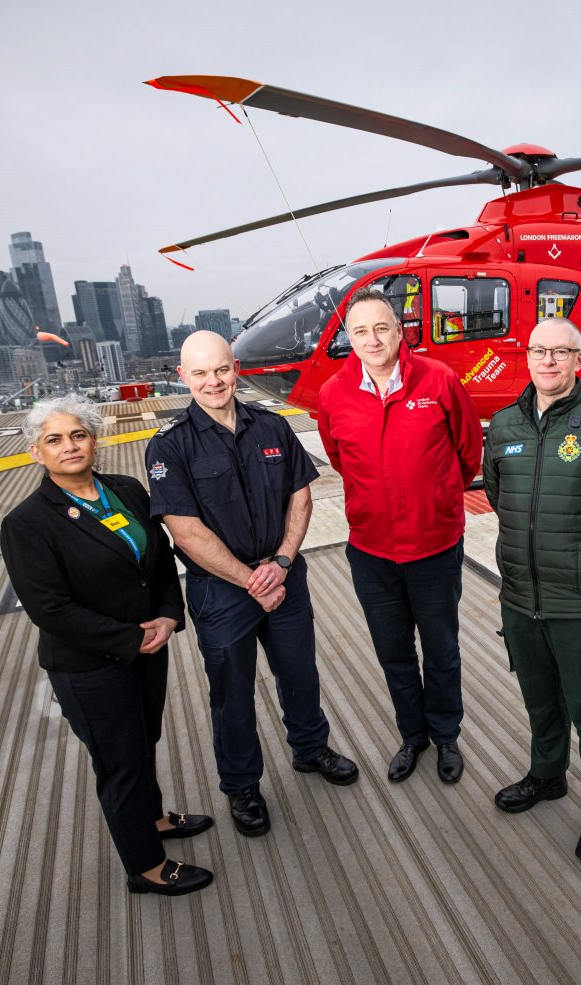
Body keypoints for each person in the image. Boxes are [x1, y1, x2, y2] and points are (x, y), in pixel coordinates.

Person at [144, 331, 358, 841]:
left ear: (234, 368)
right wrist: (251, 580)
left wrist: (281, 563)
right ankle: (242, 784)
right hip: (222, 592)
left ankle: (310, 749)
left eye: (220, 370)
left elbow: (300, 498)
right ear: (183, 377)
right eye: (199, 373)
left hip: (283, 576)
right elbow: (186, 532)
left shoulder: (273, 427)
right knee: (232, 693)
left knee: (299, 673)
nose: (213, 381)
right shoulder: (169, 447)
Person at [0, 394, 213, 897]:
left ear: (94, 439)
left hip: (147, 646)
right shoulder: (27, 523)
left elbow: (159, 558)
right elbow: (50, 610)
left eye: (78, 435)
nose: (69, 446)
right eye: (54, 440)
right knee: (120, 764)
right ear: (36, 452)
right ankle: (147, 867)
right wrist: (130, 637)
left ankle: (154, 818)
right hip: (90, 666)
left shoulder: (125, 490)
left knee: (143, 743)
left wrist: (167, 614)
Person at [482, 316, 581, 863]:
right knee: (540, 700)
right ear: (526, 357)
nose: (548, 360)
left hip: (580, 600)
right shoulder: (504, 427)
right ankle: (547, 776)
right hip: (521, 598)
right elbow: (500, 497)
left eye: (561, 352)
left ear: (580, 361)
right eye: (539, 350)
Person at [317, 288, 483, 784]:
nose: (372, 339)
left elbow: (467, 451)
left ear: (400, 331)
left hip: (434, 546)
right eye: (361, 331)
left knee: (442, 649)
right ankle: (413, 736)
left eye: (381, 328)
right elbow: (340, 458)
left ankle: (446, 735)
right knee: (394, 653)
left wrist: (436, 498)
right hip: (372, 551)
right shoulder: (333, 394)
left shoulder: (439, 380)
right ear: (349, 338)